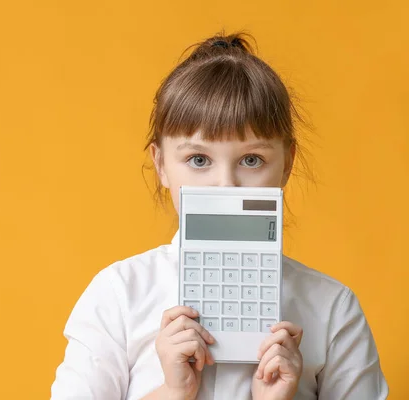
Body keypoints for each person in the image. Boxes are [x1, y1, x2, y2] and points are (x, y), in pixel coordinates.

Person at [50, 32, 388, 399]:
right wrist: (171, 392)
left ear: (287, 164)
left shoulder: (333, 308)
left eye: (251, 160)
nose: (226, 185)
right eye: (199, 160)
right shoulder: (118, 295)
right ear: (160, 164)